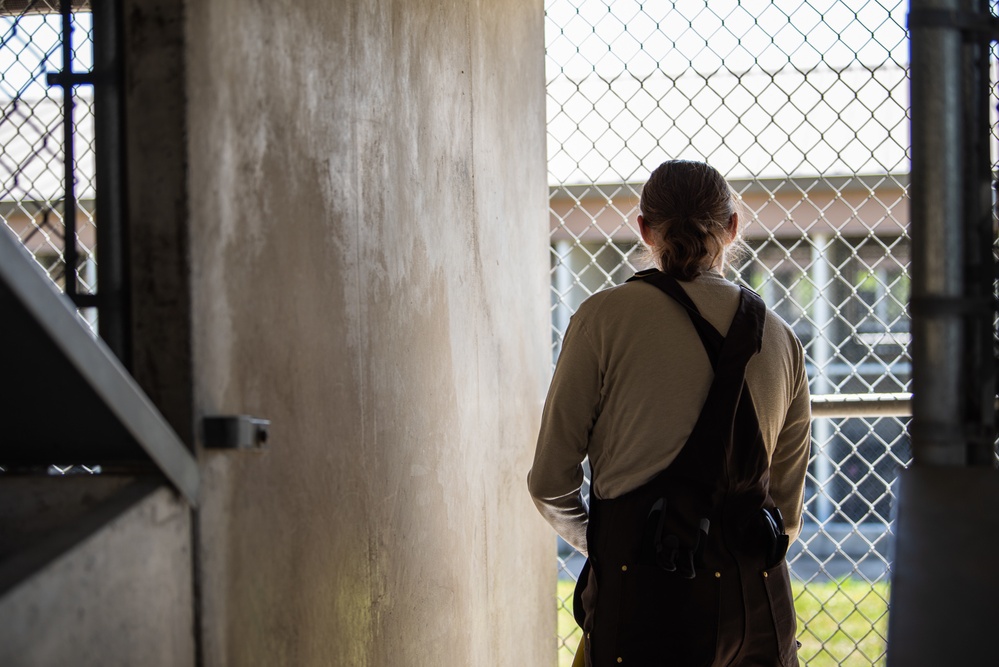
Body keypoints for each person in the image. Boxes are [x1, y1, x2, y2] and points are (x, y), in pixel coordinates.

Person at [528, 160, 811, 666]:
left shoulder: (603, 319)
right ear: (733, 226)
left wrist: (610, 544)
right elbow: (785, 510)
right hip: (759, 611)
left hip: (645, 605)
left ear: (643, 228)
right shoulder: (780, 338)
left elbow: (550, 483)